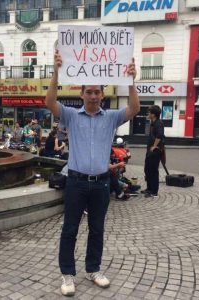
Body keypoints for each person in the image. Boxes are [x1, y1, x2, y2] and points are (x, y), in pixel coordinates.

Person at [45, 49, 140, 297]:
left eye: (97, 92)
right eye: (89, 92)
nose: (93, 96)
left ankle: (93, 269)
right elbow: (49, 103)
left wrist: (131, 81)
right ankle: (67, 274)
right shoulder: (71, 115)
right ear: (81, 94)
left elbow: (134, 108)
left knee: (97, 228)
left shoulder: (110, 117)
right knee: (70, 230)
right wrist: (56, 71)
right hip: (75, 182)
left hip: (101, 184)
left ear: (103, 95)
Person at [141, 105, 165, 198]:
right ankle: (149, 188)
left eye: (149, 112)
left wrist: (154, 146)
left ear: (153, 114)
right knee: (147, 170)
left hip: (155, 151)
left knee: (153, 171)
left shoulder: (159, 123)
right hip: (150, 151)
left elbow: (160, 135)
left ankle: (154, 192)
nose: (148, 114)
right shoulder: (152, 123)